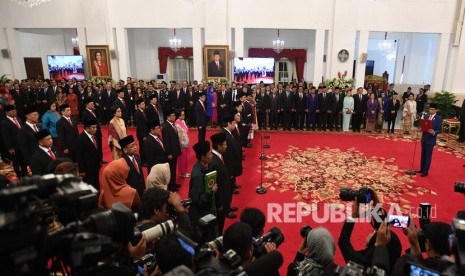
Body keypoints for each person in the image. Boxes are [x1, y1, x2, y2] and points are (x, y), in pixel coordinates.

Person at [188, 141, 218, 240]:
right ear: (203, 157)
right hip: (202, 215)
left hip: (208, 211)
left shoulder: (204, 166)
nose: (212, 155)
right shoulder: (197, 175)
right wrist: (211, 191)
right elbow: (198, 200)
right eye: (209, 153)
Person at [209, 132, 229, 235]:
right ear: (218, 146)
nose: (226, 146)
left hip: (224, 197)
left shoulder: (218, 156)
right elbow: (215, 184)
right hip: (220, 202)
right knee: (219, 224)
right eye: (224, 144)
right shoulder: (214, 162)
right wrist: (220, 203)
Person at [76, 119, 102, 190]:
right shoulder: (81, 139)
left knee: (96, 183)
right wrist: (81, 170)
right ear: (87, 128)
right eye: (93, 128)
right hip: (87, 169)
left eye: (96, 127)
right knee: (89, 185)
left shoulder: (94, 136)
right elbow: (79, 156)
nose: (96, 129)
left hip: (95, 166)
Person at [417, 103, 442, 177]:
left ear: (436, 110)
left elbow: (439, 130)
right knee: (423, 154)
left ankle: (425, 171)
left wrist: (434, 132)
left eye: (432, 109)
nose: (430, 111)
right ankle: (421, 169)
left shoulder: (438, 118)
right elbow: (423, 125)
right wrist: (421, 128)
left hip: (431, 140)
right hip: (424, 138)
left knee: (428, 155)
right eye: (430, 109)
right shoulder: (426, 116)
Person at [163, 110, 182, 191]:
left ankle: (173, 183)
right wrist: (168, 153)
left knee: (174, 168)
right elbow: (166, 142)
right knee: (171, 169)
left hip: (175, 150)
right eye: (173, 115)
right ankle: (171, 185)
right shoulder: (166, 127)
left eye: (174, 115)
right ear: (168, 117)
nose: (174, 117)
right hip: (171, 152)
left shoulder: (172, 125)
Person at [175, 110, 190, 178]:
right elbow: (183, 132)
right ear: (179, 116)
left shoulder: (183, 121)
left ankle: (184, 171)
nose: (184, 116)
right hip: (181, 143)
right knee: (182, 158)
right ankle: (182, 172)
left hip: (185, 141)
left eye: (184, 114)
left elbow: (186, 129)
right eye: (182, 114)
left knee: (185, 158)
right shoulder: (177, 124)